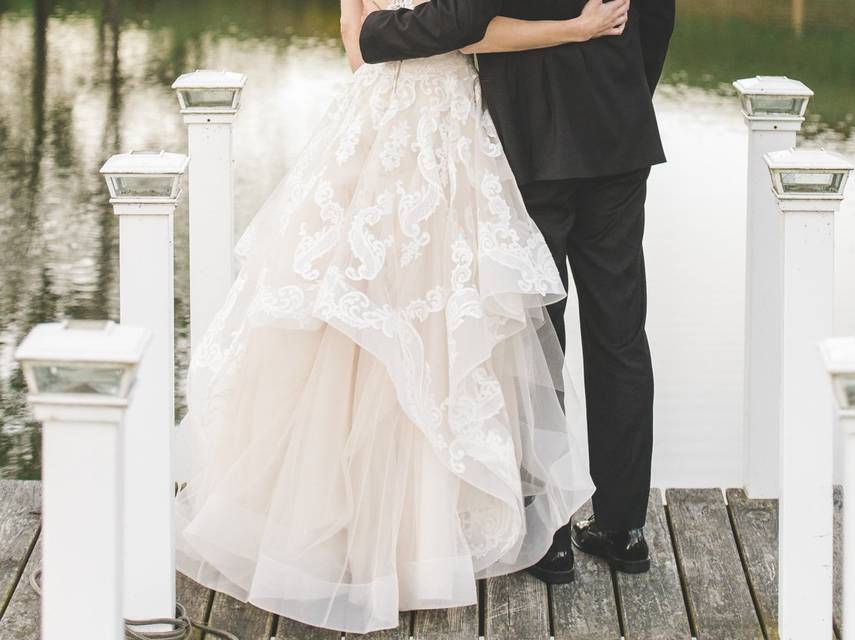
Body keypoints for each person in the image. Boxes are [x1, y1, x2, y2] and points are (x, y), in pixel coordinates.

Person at [173, 0, 628, 633]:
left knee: (354, 319)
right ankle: (423, 533)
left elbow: (357, 41)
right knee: (436, 325)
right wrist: (576, 30)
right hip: (446, 129)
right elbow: (476, 34)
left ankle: (341, 523)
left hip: (371, 118)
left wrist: (393, 60)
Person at [359, 0, 675, 584]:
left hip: (529, 139)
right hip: (616, 133)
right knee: (621, 332)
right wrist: (624, 93)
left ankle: (546, 539)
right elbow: (656, 19)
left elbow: (467, 19)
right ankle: (624, 527)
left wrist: (380, 30)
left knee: (534, 338)